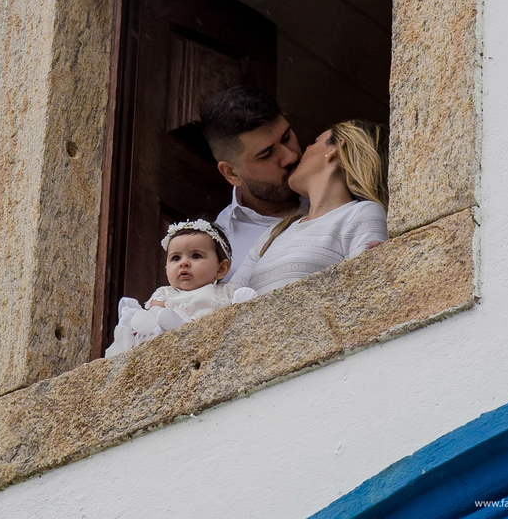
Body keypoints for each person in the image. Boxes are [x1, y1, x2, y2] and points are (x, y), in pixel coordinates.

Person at [230, 119, 389, 295]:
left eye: (313, 143)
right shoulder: (275, 232)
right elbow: (228, 297)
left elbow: (368, 293)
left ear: (335, 149)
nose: (295, 157)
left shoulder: (363, 212)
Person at [104, 220, 256, 358]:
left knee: (234, 317)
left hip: (216, 333)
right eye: (176, 258)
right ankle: (180, 329)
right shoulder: (165, 294)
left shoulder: (226, 290)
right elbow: (154, 317)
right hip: (176, 342)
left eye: (195, 256)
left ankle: (243, 307)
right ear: (166, 268)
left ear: (221, 269)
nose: (184, 263)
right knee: (162, 321)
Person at [199, 86, 304, 280]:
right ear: (231, 173)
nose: (290, 156)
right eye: (266, 154)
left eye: (287, 137)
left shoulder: (348, 191)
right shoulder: (216, 250)